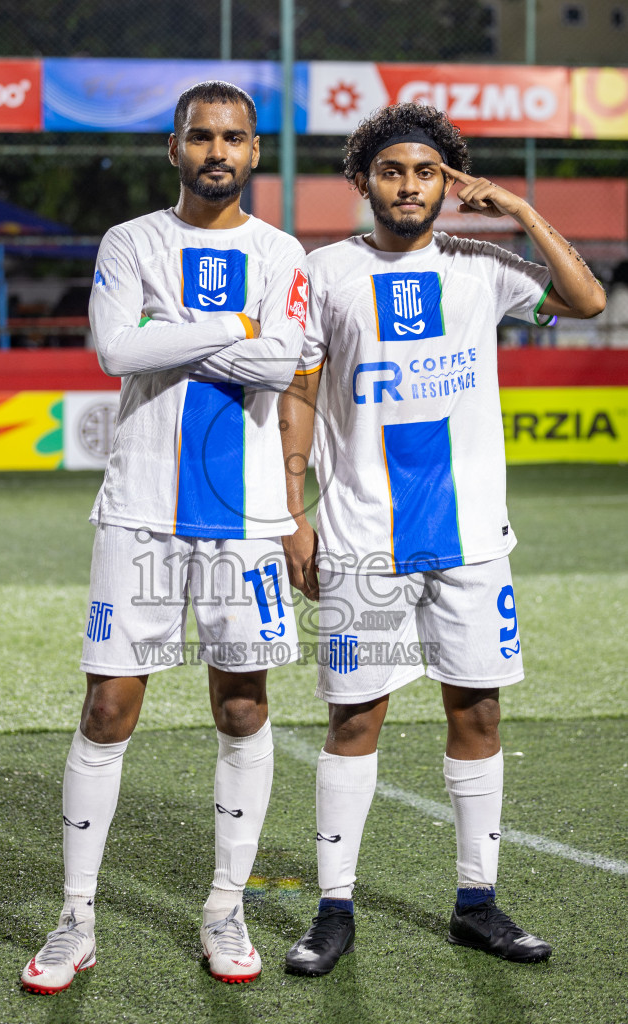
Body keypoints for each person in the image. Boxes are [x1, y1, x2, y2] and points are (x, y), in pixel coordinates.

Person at [279, 102, 605, 975]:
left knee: (479, 709)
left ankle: (477, 902)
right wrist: (291, 511)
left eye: (426, 171)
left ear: (448, 182)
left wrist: (521, 211)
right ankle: (332, 908)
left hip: (470, 540)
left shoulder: (480, 265)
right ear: (363, 181)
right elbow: (300, 394)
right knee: (356, 718)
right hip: (358, 539)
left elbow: (587, 299)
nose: (409, 185)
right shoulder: (324, 271)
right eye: (392, 170)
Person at [21, 80, 307, 993]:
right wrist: (236, 327)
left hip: (247, 520)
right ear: (173, 148)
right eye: (199, 137)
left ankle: (225, 907)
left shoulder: (280, 250)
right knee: (108, 708)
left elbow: (287, 361)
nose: (216, 151)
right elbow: (114, 350)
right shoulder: (130, 241)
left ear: (254, 152)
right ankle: (76, 917)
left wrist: (169, 330)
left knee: (241, 708)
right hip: (140, 509)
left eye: (233, 137)